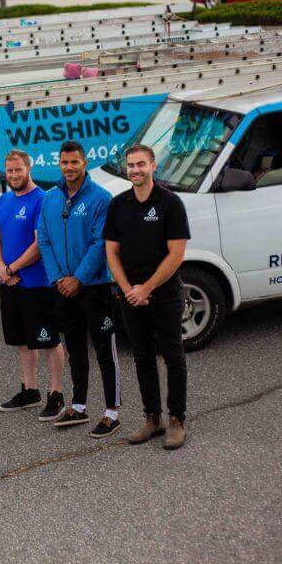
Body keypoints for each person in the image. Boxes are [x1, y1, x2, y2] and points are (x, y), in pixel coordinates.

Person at [105, 144, 191, 450]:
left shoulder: (170, 203)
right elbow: (111, 252)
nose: (135, 170)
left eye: (141, 164)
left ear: (153, 166)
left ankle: (177, 421)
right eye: (131, 165)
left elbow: (176, 254)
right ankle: (152, 419)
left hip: (164, 294)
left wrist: (147, 288)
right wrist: (129, 288)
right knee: (142, 358)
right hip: (130, 296)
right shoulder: (118, 205)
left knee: (173, 356)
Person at [37, 140, 120, 438]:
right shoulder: (49, 198)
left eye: (74, 162)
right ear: (58, 164)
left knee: (104, 350)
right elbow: (43, 240)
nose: (69, 167)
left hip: (94, 287)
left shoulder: (101, 198)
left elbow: (101, 243)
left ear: (84, 162)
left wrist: (78, 279)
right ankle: (79, 406)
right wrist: (59, 277)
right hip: (62, 288)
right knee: (74, 349)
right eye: (64, 162)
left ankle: (112, 411)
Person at [0, 150, 66, 421]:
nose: (13, 175)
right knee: (22, 341)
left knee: (49, 341)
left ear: (29, 168)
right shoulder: (4, 199)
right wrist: (2, 268)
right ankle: (30, 390)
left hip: (36, 284)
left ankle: (56, 394)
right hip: (10, 283)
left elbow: (39, 245)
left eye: (18, 170)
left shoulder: (42, 200)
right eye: (9, 171)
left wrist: (12, 268)